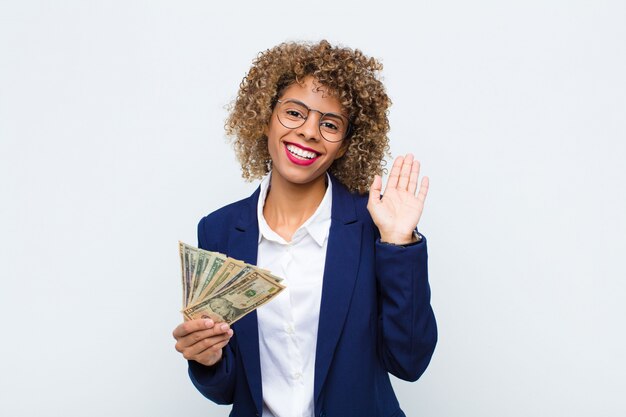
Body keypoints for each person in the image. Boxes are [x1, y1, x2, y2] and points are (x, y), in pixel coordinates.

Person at [173, 40, 437, 417]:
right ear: (265, 117)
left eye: (330, 124)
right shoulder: (220, 230)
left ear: (346, 144)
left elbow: (409, 362)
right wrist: (207, 358)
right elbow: (229, 389)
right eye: (295, 113)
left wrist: (398, 243)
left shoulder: (372, 224)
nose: (310, 131)